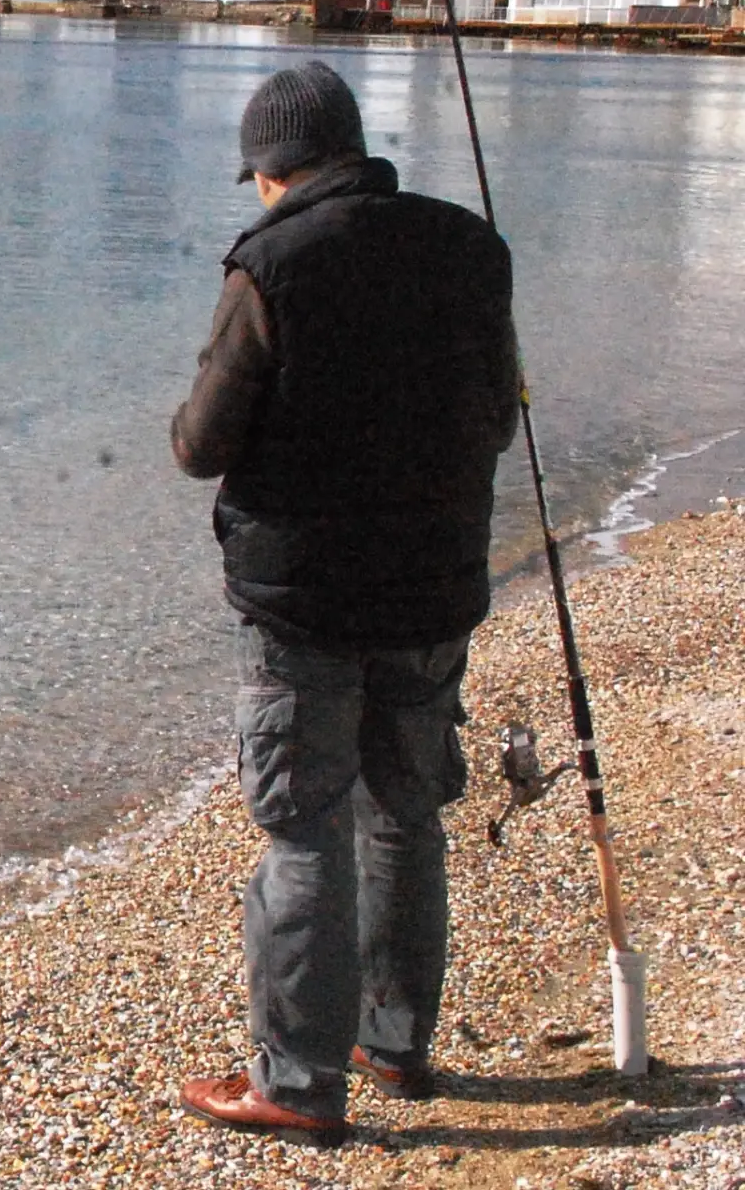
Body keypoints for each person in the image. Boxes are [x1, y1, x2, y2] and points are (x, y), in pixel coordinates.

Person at [171, 60, 520, 1147]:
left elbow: (200, 446)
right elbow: (501, 418)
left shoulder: (271, 264)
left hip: (305, 599)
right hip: (437, 586)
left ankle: (298, 1080)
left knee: (303, 824)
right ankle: (395, 1040)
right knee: (404, 811)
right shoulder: (471, 247)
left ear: (272, 168)